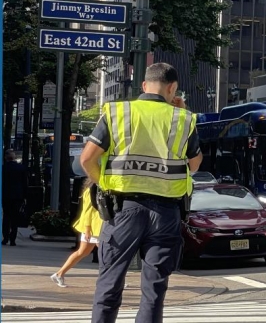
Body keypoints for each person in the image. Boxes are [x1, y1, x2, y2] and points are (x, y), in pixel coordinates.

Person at [80, 63, 202, 323]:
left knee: (110, 282)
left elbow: (87, 159)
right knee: (154, 290)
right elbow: (194, 164)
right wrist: (179, 112)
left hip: (123, 209)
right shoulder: (182, 119)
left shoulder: (117, 113)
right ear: (173, 88)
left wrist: (103, 184)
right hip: (166, 213)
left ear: (145, 86)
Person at [51, 179, 103, 287]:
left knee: (84, 252)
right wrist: (88, 228)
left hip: (96, 226)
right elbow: (87, 210)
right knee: (102, 254)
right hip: (94, 227)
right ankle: (111, 280)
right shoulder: (92, 190)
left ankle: (59, 274)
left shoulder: (94, 189)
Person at [2, 149, 26, 246]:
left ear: (5, 158)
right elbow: (25, 183)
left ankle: (5, 238)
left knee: (6, 217)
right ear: (14, 157)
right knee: (15, 218)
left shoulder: (3, 168)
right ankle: (13, 239)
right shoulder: (21, 168)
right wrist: (24, 196)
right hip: (17, 196)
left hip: (6, 196)